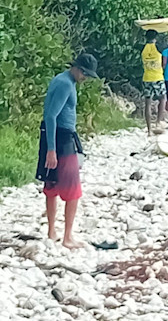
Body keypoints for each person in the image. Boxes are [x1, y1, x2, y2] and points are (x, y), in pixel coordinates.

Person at [36, 54, 98, 249]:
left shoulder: (61, 79)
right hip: (61, 139)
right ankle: (67, 236)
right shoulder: (65, 84)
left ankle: (52, 231)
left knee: (52, 183)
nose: (85, 78)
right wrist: (52, 150)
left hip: (55, 136)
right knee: (72, 189)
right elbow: (51, 116)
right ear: (77, 68)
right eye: (85, 74)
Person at [141, 30, 166, 135]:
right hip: (158, 77)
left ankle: (149, 129)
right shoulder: (159, 47)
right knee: (163, 99)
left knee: (148, 103)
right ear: (156, 38)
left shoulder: (143, 48)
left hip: (146, 78)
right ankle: (158, 122)